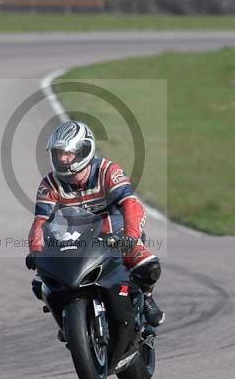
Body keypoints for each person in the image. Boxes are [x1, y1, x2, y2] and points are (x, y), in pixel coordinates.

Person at [25, 120, 164, 332]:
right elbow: (40, 221)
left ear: (84, 151)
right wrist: (36, 250)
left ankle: (146, 298)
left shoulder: (107, 170)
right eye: (57, 153)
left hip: (114, 228)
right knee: (40, 282)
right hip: (76, 235)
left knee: (147, 266)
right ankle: (66, 322)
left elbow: (130, 204)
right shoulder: (49, 183)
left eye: (67, 153)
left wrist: (131, 236)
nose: (62, 159)